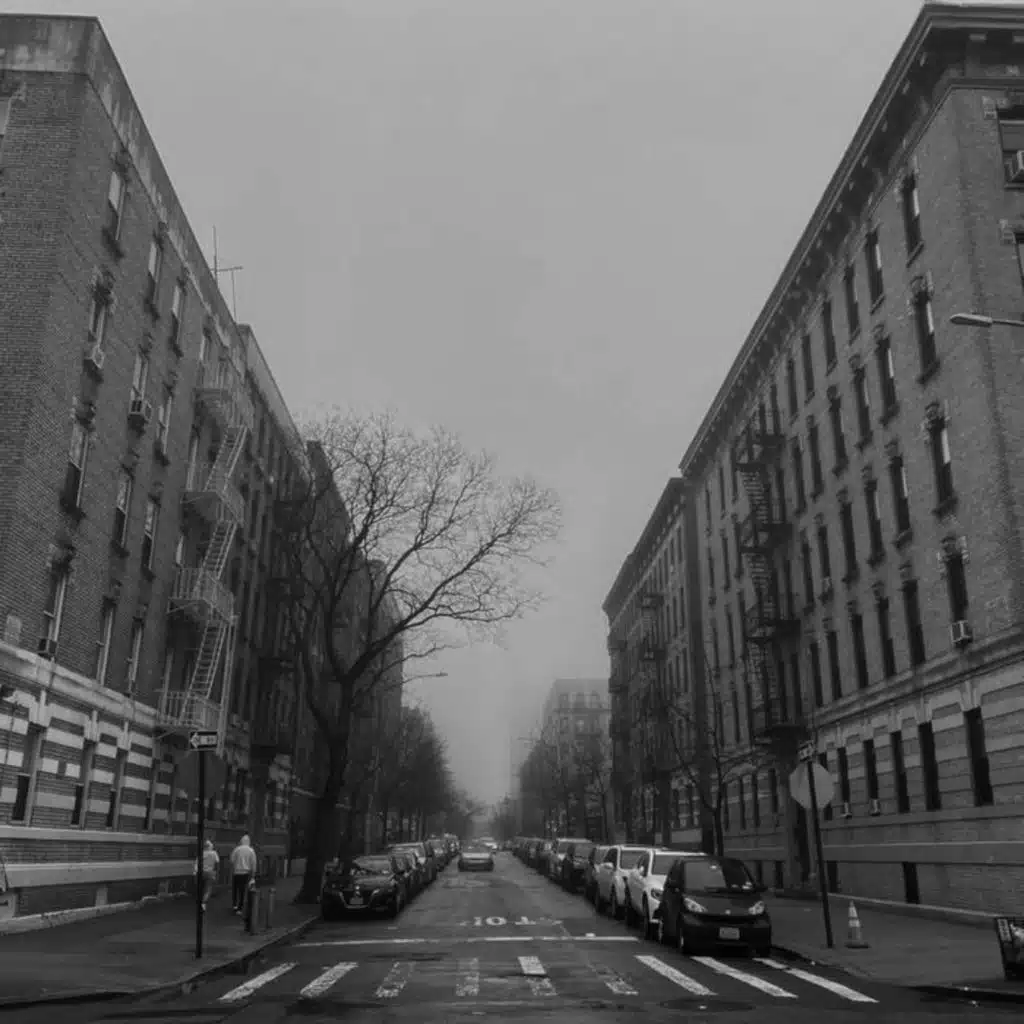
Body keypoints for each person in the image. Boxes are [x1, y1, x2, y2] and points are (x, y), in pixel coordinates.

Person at [230, 834, 258, 914]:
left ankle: (234, 905)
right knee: (242, 890)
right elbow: (253, 864)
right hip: (245, 873)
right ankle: (240, 908)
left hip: (236, 872)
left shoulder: (236, 849)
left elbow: (232, 860)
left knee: (235, 889)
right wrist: (253, 876)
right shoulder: (251, 850)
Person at [194, 839, 219, 911]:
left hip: (200, 872)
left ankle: (199, 901)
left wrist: (195, 872)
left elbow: (196, 863)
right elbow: (217, 863)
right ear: (211, 846)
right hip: (210, 873)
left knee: (200, 888)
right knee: (208, 889)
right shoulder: (214, 853)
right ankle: (203, 903)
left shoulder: (201, 853)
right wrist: (215, 873)